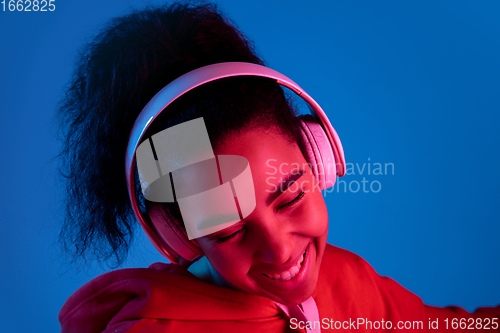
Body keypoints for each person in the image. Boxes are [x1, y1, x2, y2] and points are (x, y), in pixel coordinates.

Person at [57, 2, 499, 332]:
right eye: (229, 231)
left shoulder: (347, 280)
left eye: (289, 198)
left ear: (318, 159)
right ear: (179, 237)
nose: (280, 251)